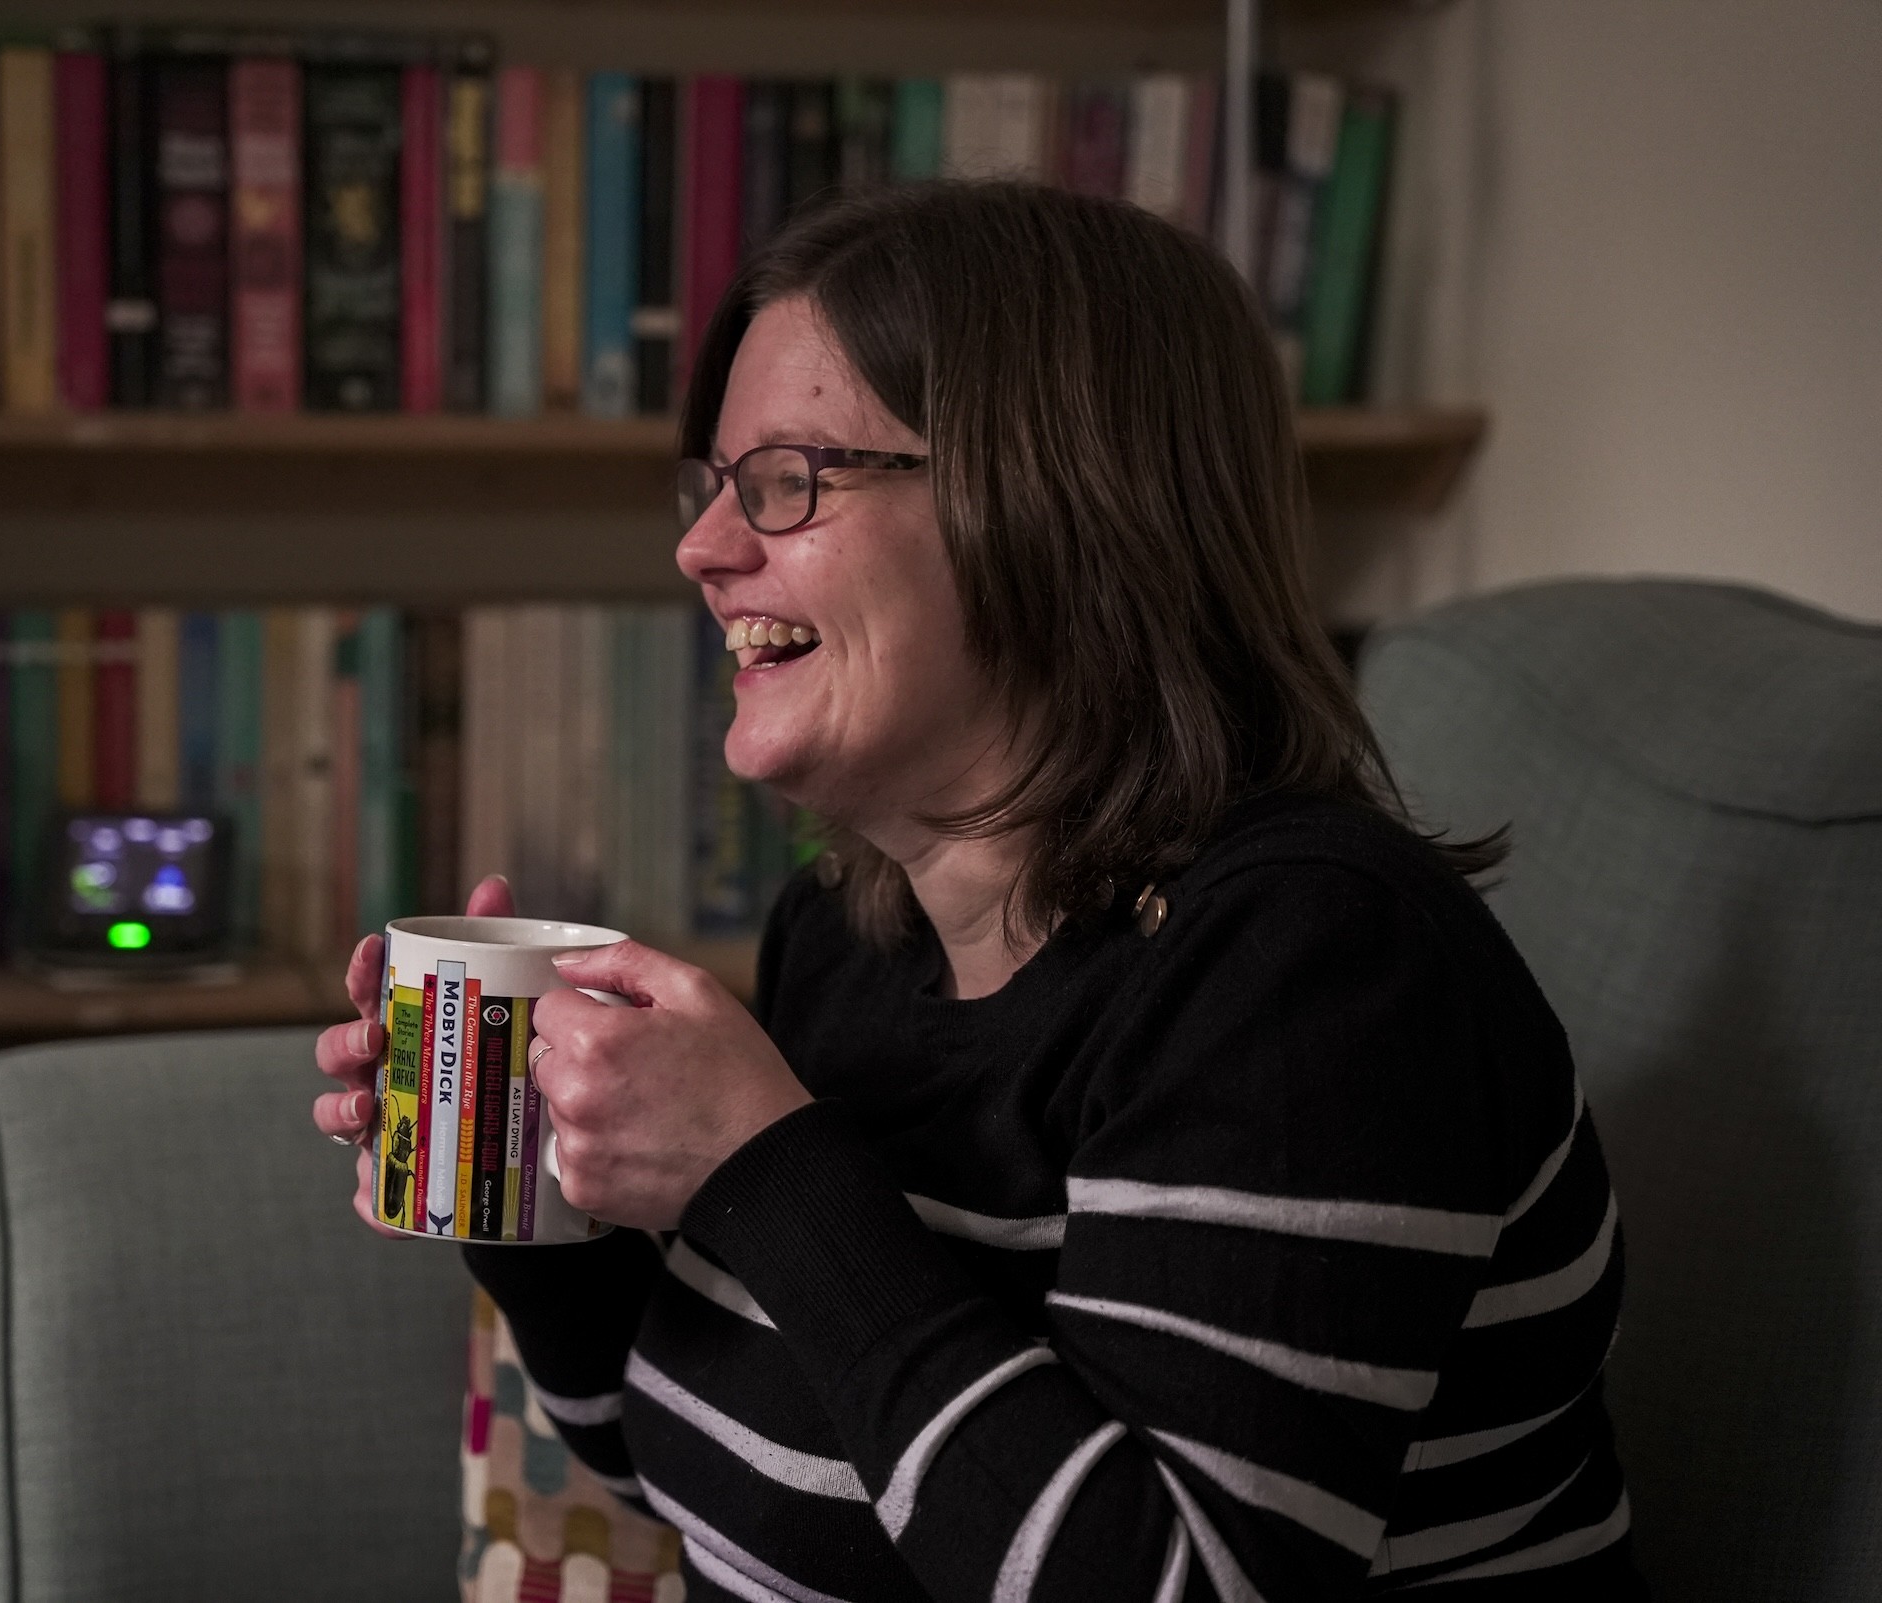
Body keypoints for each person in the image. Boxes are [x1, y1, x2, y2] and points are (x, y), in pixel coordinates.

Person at [313, 182, 1646, 1601]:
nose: (703, 550)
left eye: (785, 480)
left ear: (1058, 502)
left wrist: (767, 1171)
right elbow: (730, 1482)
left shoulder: (1315, 970)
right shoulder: (846, 936)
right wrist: (523, 1189)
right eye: (709, 485)